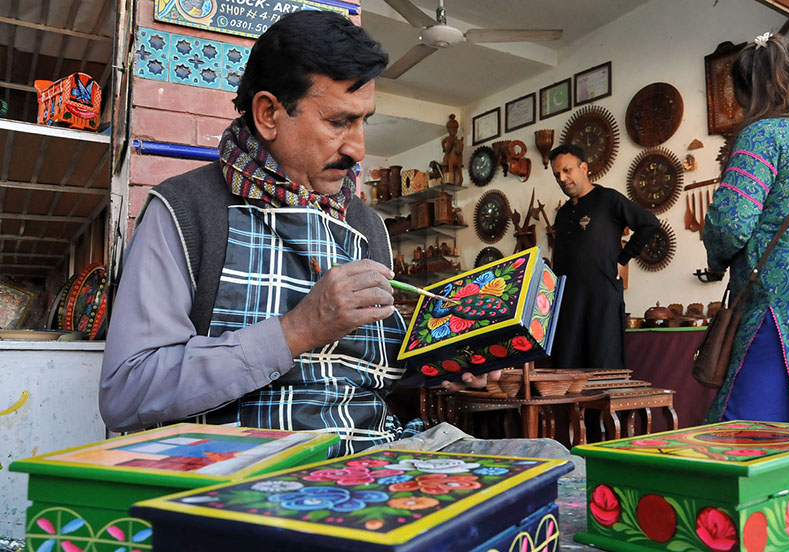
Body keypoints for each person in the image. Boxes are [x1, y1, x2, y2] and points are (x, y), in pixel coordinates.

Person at [99, 11, 497, 457]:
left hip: (374, 458)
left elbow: (367, 384)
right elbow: (126, 393)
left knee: (550, 465)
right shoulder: (185, 212)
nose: (358, 148)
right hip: (245, 474)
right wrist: (296, 330)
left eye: (364, 121)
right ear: (269, 114)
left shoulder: (366, 224)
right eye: (338, 122)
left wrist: (446, 363)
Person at [703, 32, 789, 423]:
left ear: (748, 91)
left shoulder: (763, 135)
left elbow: (730, 223)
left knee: (748, 432)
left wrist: (715, 257)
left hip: (775, 300)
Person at [548, 144, 659, 369]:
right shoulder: (562, 214)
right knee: (567, 370)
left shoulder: (609, 200)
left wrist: (623, 259)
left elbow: (649, 223)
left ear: (584, 167)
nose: (562, 178)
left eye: (567, 170)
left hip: (602, 300)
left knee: (603, 368)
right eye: (557, 174)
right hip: (568, 305)